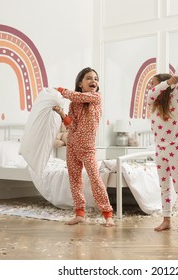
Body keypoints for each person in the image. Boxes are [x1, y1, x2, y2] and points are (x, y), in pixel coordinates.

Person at [53, 67, 114, 227]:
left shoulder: (96, 97)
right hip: (72, 145)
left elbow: (75, 95)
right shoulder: (74, 103)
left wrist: (60, 90)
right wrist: (61, 114)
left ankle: (108, 214)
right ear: (80, 83)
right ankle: (79, 213)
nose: (93, 81)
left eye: (96, 78)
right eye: (88, 78)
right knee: (74, 180)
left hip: (87, 147)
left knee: (95, 179)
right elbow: (71, 125)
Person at [147, 73, 178, 233]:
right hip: (160, 147)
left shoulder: (174, 98)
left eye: (154, 83)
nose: (152, 87)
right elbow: (152, 94)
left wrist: (174, 81)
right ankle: (166, 219)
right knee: (164, 185)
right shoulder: (152, 101)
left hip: (174, 146)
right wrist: (167, 83)